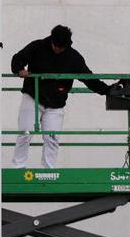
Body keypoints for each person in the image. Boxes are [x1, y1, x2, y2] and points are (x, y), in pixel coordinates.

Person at [11, 24, 109, 169]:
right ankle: (18, 168)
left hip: (56, 104)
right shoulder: (37, 46)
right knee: (25, 133)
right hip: (33, 97)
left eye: (61, 47)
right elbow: (18, 58)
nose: (58, 49)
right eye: (55, 46)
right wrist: (19, 69)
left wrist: (107, 90)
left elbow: (89, 78)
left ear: (67, 44)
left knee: (52, 138)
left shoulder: (74, 57)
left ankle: (48, 171)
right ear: (51, 40)